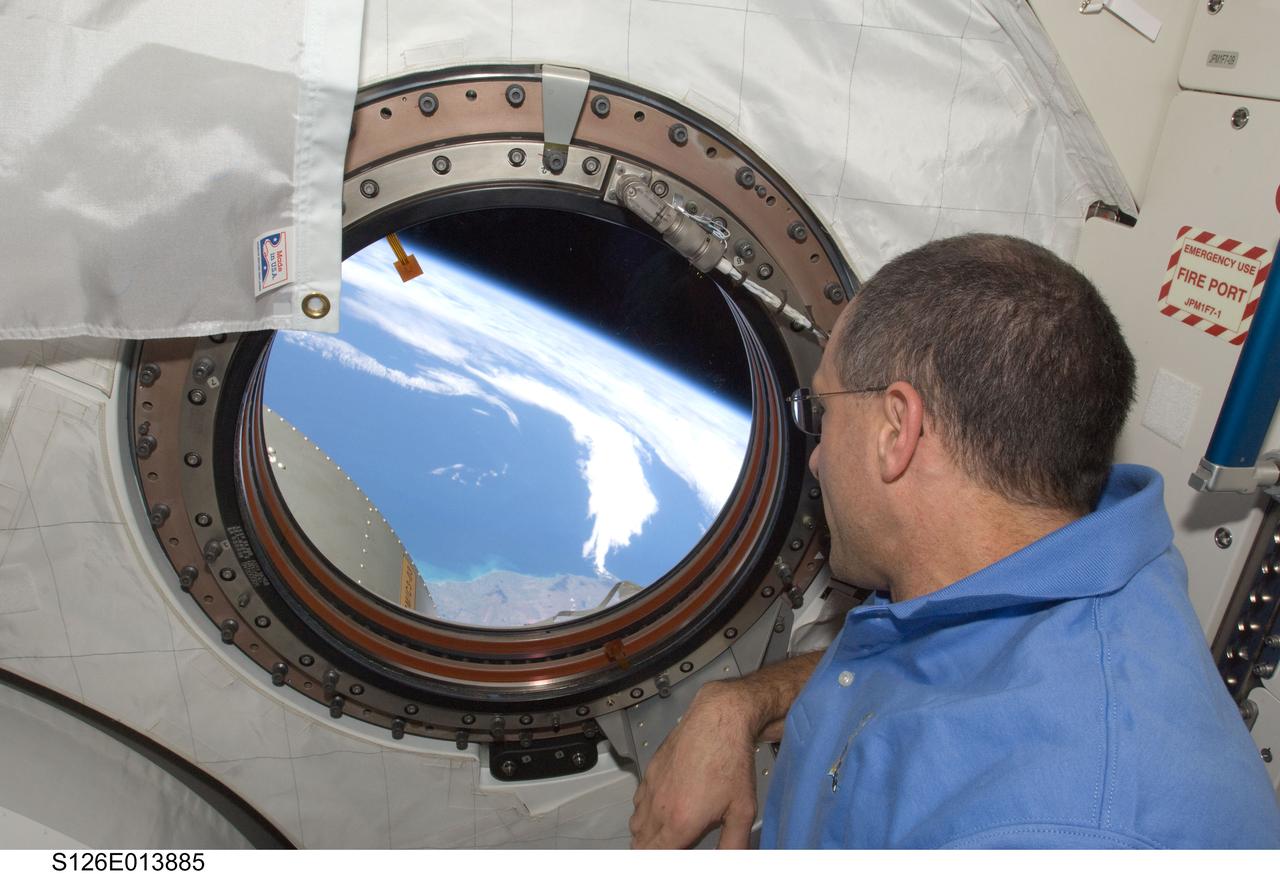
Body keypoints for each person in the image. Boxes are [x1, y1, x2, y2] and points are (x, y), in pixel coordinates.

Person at [628, 233, 1280, 849]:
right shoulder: (1035, 563)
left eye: (823, 415)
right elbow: (920, 668)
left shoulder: (1062, 829)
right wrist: (739, 705)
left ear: (897, 431)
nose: (818, 459)